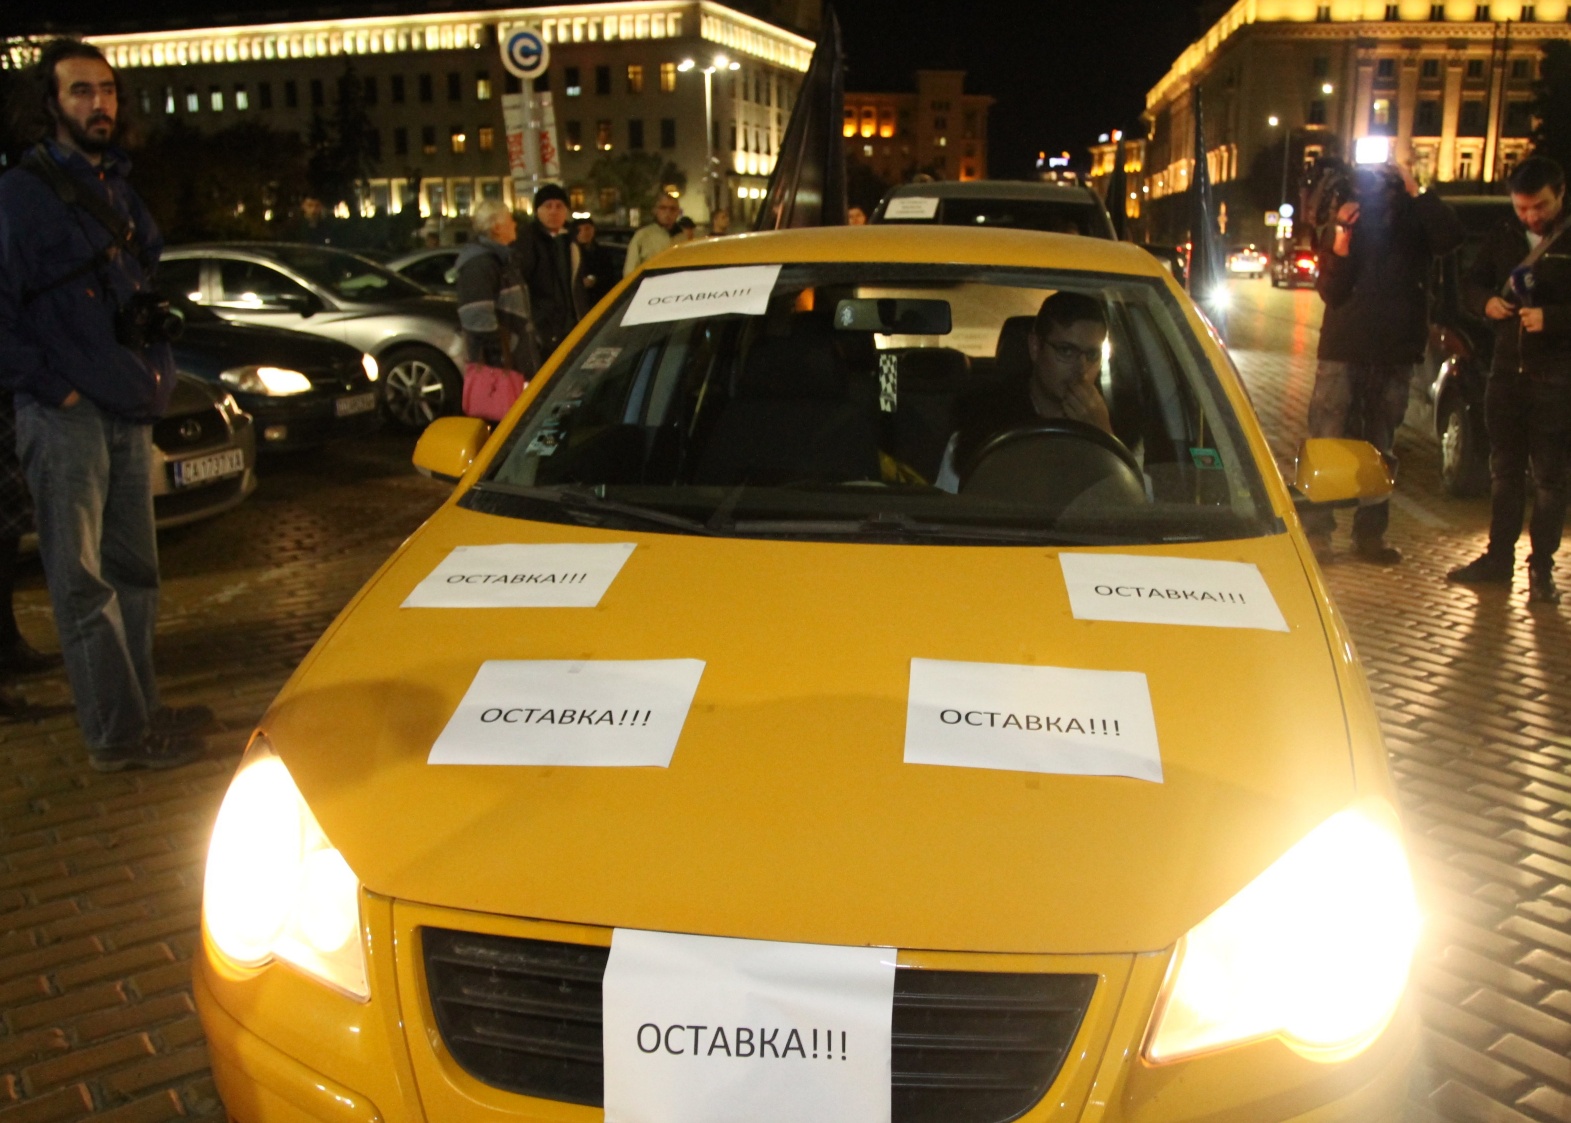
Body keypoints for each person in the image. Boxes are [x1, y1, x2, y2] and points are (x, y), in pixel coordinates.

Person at [0, 39, 212, 770]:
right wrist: (49, 383)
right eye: (81, 91)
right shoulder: (20, 193)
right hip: (66, 412)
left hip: (127, 401)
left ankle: (145, 710)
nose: (100, 104)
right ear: (49, 103)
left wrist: (154, 368)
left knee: (135, 574)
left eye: (108, 90)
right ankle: (117, 737)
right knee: (83, 585)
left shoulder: (117, 185)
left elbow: (140, 280)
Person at [1304, 160, 1462, 565]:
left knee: (1380, 444)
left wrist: (1416, 190)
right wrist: (1342, 237)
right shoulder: (1346, 214)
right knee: (1326, 439)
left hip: (1395, 350)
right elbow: (1330, 290)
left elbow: (1450, 237)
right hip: (1343, 348)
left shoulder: (1417, 219)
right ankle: (1317, 532)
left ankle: (1370, 534)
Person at [1448, 156, 1571, 604]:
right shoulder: (1504, 234)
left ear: (1560, 193)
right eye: (1522, 208)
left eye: (1539, 206)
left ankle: (1542, 569)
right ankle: (1498, 558)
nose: (1531, 216)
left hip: (1555, 378)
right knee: (1504, 472)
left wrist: (1552, 318)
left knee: (1550, 479)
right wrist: (1486, 303)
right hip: (1506, 373)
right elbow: (1471, 284)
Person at [935, 291, 1114, 491]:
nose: (1082, 368)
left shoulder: (1121, 423)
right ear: (1035, 347)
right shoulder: (979, 429)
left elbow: (1132, 500)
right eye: (1066, 351)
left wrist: (1104, 436)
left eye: (1092, 355)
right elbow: (951, 506)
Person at [455, 198, 537, 378]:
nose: (515, 224)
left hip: (513, 364)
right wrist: (505, 351)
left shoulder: (502, 260)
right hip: (501, 370)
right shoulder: (481, 265)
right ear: (497, 227)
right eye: (510, 219)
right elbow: (478, 319)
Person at [514, 184, 585, 358]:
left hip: (572, 325)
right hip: (542, 330)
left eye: (559, 206)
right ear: (537, 211)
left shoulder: (571, 240)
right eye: (548, 206)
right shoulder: (526, 241)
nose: (553, 211)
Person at [623, 193, 682, 276]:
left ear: (678, 212)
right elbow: (630, 271)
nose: (668, 212)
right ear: (655, 211)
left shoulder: (685, 237)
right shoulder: (642, 236)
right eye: (663, 208)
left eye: (672, 209)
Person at [572, 217, 616, 309]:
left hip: (599, 301)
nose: (584, 233)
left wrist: (596, 280)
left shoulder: (602, 253)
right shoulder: (570, 254)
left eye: (587, 229)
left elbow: (610, 276)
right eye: (579, 230)